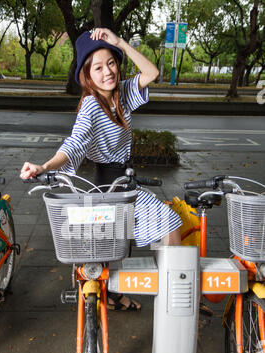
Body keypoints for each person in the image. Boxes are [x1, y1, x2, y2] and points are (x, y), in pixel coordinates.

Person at [20, 28, 182, 311]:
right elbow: (74, 142)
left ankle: (114, 295)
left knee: (114, 244)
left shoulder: (122, 94)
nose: (107, 71)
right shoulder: (92, 105)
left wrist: (119, 42)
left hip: (119, 180)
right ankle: (177, 296)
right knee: (168, 224)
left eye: (111, 62)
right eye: (97, 67)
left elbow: (152, 72)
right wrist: (44, 166)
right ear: (87, 75)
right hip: (111, 184)